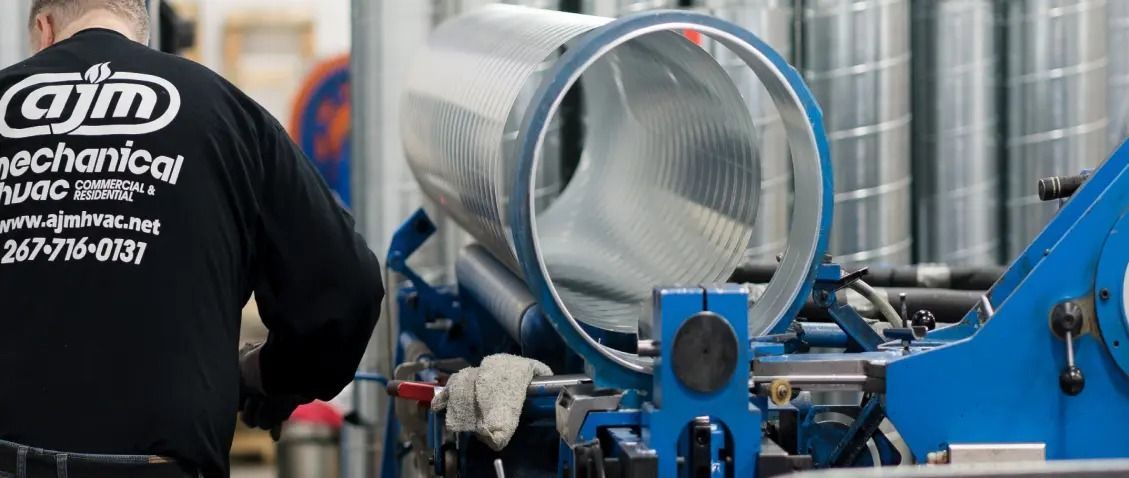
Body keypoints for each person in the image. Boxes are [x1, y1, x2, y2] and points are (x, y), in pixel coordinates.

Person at [0, 1, 384, 476]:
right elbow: (347, 288)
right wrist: (274, 375)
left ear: (43, 29)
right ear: (141, 33)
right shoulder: (224, 112)